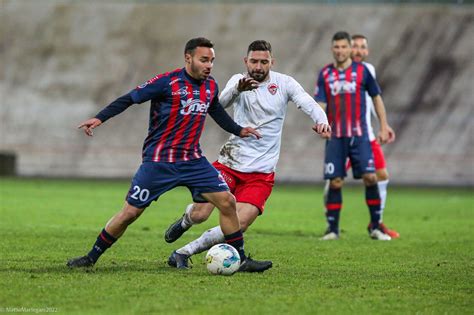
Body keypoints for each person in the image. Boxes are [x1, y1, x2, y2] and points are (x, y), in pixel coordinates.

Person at [67, 37, 273, 273]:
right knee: (130, 213)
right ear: (188, 58)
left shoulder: (210, 85)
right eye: (204, 60)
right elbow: (129, 98)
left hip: (194, 161)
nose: (209, 65)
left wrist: (239, 130)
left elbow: (215, 111)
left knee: (227, 202)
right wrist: (99, 118)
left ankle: (241, 258)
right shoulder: (167, 82)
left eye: (212, 61)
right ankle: (91, 257)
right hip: (159, 162)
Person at [164, 40, 331, 269]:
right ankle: (185, 221)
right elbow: (216, 106)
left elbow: (307, 102)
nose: (259, 67)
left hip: (261, 173)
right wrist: (237, 90)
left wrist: (322, 121)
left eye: (264, 62)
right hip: (230, 162)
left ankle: (183, 253)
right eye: (254, 61)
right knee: (201, 213)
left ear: (272, 62)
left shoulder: (284, 83)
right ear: (246, 61)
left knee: (239, 223)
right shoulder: (237, 81)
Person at [314, 31, 392, 241]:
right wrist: (320, 122)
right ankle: (332, 230)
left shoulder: (363, 72)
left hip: (360, 135)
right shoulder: (325, 74)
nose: (340, 51)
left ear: (350, 48)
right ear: (332, 49)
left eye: (343, 47)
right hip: (336, 137)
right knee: (336, 181)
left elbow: (376, 98)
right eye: (336, 47)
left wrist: (383, 126)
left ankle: (375, 227)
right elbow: (320, 101)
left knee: (370, 177)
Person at [350, 34, 399, 238]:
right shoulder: (336, 71)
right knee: (333, 181)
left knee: (382, 176)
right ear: (346, 49)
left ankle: (376, 223)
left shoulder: (368, 70)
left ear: (367, 51)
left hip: (365, 135)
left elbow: (370, 100)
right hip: (343, 136)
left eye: (363, 47)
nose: (359, 51)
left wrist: (383, 126)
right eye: (355, 47)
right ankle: (331, 226)